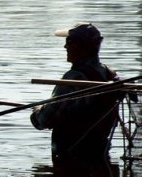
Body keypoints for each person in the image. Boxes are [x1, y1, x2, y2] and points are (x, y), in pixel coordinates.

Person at [30, 23, 122, 167]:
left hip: (72, 159)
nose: (65, 47)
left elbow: (44, 120)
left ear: (82, 46)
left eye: (69, 42)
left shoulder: (74, 78)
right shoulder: (109, 74)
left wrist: (37, 111)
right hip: (100, 155)